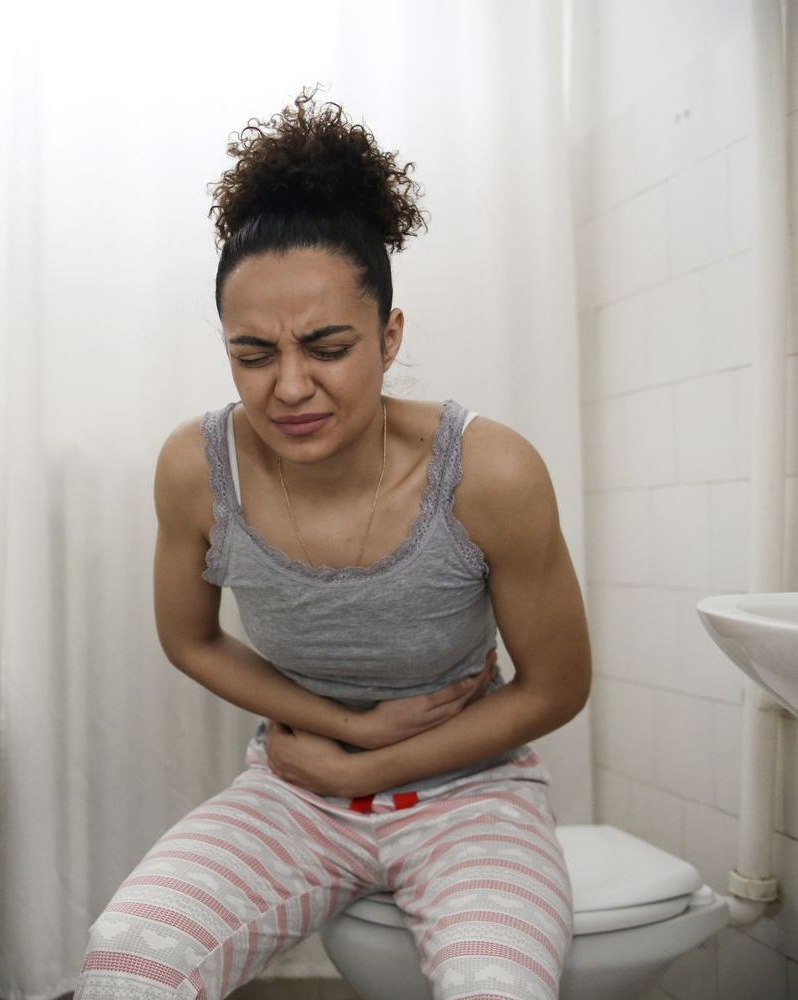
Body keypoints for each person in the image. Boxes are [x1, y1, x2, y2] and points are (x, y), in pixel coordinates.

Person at [75, 88, 591, 1000]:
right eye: (254, 354)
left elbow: (558, 684)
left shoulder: (488, 470)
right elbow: (188, 637)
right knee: (125, 963)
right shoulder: (197, 469)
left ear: (389, 338)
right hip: (295, 783)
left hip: (473, 795)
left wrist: (375, 765)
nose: (290, 387)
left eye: (327, 345)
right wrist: (343, 731)